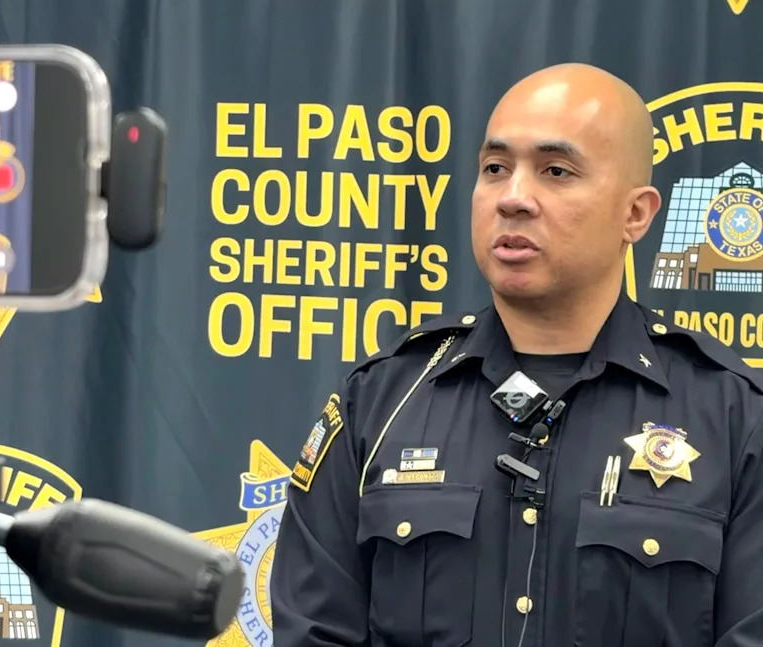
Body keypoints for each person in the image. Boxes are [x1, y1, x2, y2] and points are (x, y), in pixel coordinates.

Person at [270, 63, 763, 647]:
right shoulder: (381, 401)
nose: (513, 198)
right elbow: (314, 632)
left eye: (556, 171)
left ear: (636, 214)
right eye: (495, 169)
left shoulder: (733, 418)